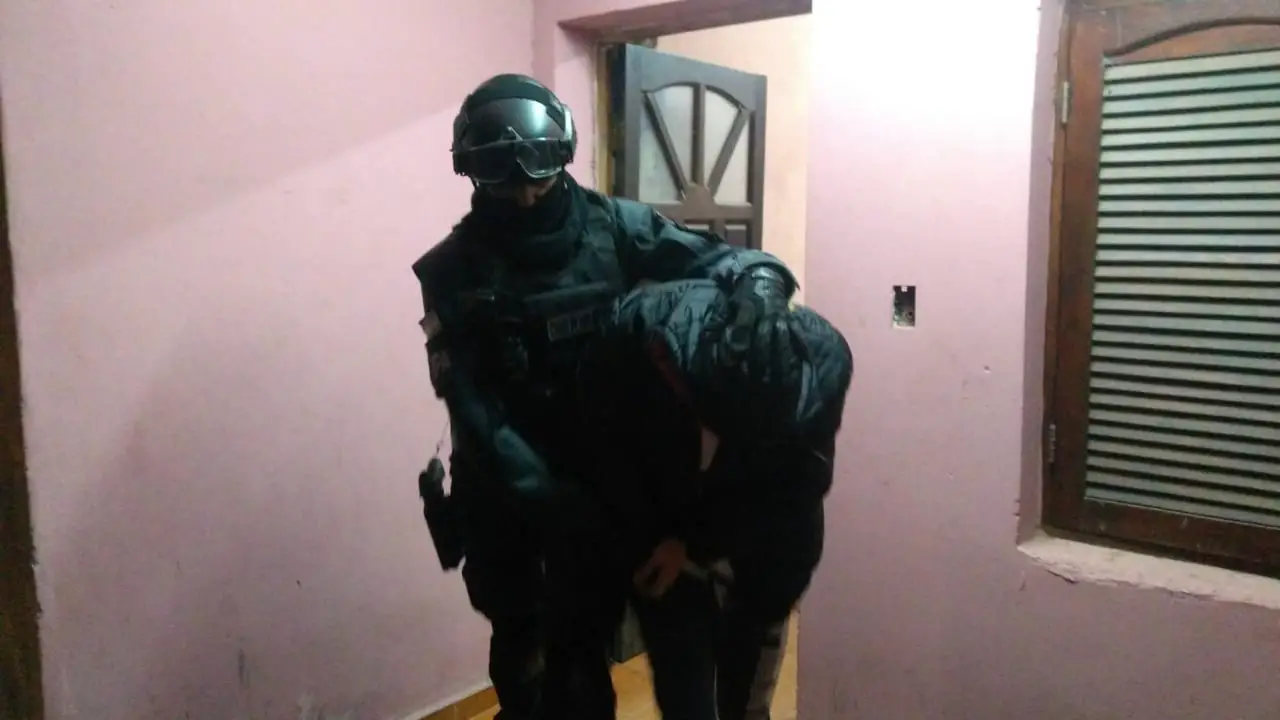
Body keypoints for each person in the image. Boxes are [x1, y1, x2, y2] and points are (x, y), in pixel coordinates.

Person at [411, 73, 798, 719]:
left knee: (670, 658)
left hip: (618, 488)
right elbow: (477, 417)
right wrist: (565, 512)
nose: (525, 196)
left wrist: (758, 289)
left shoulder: (614, 225)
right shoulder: (452, 269)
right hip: (519, 506)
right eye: (505, 182)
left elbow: (737, 263)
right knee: (547, 685)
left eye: (538, 178)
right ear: (474, 174)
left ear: (561, 157)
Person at [574, 278, 854, 720]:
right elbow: (611, 454)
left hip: (760, 561)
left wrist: (692, 544)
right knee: (687, 697)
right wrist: (657, 540)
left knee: (746, 702)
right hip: (669, 548)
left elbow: (786, 505)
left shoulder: (807, 394)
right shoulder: (648, 344)